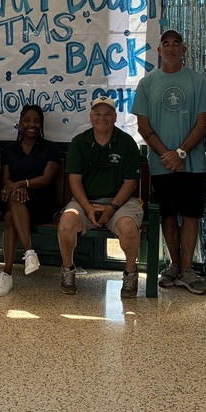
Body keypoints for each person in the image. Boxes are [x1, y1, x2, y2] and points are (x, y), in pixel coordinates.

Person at [132, 28, 206, 295]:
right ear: (158, 51)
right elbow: (143, 126)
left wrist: (180, 153)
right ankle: (174, 266)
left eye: (175, 44)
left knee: (191, 216)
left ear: (184, 50)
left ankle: (188, 270)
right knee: (167, 214)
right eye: (165, 44)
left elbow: (203, 124)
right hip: (161, 164)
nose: (170, 48)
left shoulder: (198, 81)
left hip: (193, 164)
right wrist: (167, 155)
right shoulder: (147, 83)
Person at [57, 96, 143, 297]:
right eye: (97, 114)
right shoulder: (80, 142)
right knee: (66, 223)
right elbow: (74, 180)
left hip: (120, 204)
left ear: (114, 117)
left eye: (107, 114)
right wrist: (87, 207)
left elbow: (130, 182)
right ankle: (68, 270)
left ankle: (130, 274)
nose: (101, 118)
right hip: (85, 201)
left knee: (129, 229)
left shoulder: (126, 142)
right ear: (90, 117)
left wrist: (112, 208)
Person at [0, 104, 60, 297]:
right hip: (15, 198)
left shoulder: (50, 148)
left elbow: (47, 178)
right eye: (27, 120)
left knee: (9, 216)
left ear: (41, 125)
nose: (32, 124)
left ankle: (7, 273)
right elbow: (5, 178)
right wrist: (16, 187)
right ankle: (29, 253)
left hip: (41, 203)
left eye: (36, 121)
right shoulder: (10, 149)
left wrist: (22, 184)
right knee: (13, 204)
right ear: (20, 123)